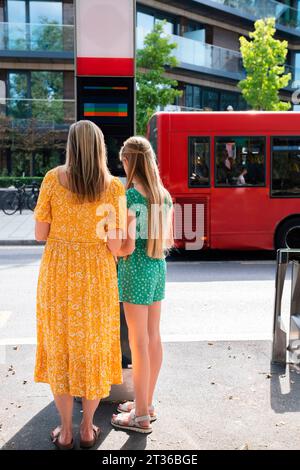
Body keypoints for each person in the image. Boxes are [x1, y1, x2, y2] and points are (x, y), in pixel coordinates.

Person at [34, 120, 126, 450]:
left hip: (58, 273)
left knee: (59, 347)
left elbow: (40, 234)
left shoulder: (51, 179)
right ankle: (87, 429)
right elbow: (115, 246)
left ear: (71, 146)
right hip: (97, 276)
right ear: (99, 146)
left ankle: (65, 430)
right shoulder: (113, 187)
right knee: (94, 348)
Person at [111, 136, 174, 434]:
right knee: (153, 338)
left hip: (135, 269)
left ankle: (140, 417)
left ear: (129, 161)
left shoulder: (132, 198)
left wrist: (110, 244)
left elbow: (125, 246)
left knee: (138, 343)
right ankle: (145, 403)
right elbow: (167, 239)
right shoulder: (163, 195)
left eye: (123, 162)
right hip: (157, 266)